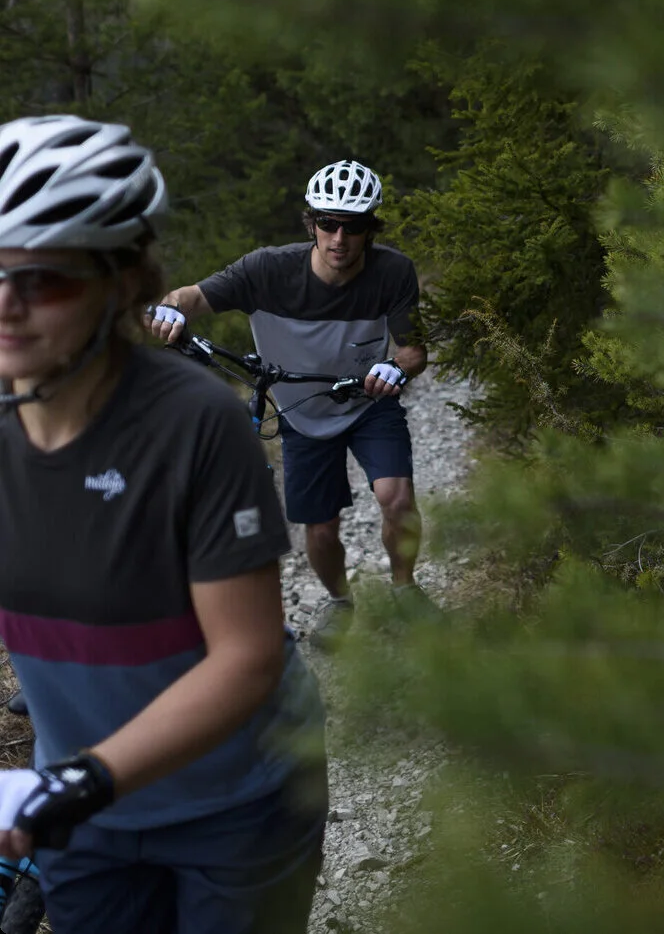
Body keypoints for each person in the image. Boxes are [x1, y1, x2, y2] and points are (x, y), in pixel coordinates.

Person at [0, 114, 326, 934]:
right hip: (86, 816)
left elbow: (247, 656)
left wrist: (85, 778)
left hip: (238, 801)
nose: (8, 304)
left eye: (44, 278)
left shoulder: (194, 424)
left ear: (122, 282)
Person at [147, 160, 429, 648]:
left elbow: (413, 350)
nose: (339, 238)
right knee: (320, 531)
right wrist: (171, 310)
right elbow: (190, 296)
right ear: (311, 222)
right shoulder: (266, 270)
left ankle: (405, 590)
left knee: (396, 498)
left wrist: (396, 369)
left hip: (367, 400)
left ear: (370, 229)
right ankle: (341, 603)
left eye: (354, 225)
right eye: (328, 222)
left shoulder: (393, 272)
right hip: (301, 415)